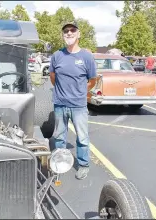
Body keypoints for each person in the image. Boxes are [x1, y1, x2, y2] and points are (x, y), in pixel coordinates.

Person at [49, 21, 97, 180]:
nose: (69, 33)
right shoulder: (57, 56)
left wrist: (81, 92)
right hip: (60, 104)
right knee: (59, 137)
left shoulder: (86, 56)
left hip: (78, 106)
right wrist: (62, 92)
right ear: (63, 35)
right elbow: (53, 77)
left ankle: (83, 165)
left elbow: (92, 80)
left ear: (78, 34)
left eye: (72, 30)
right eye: (66, 31)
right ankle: (59, 164)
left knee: (82, 138)